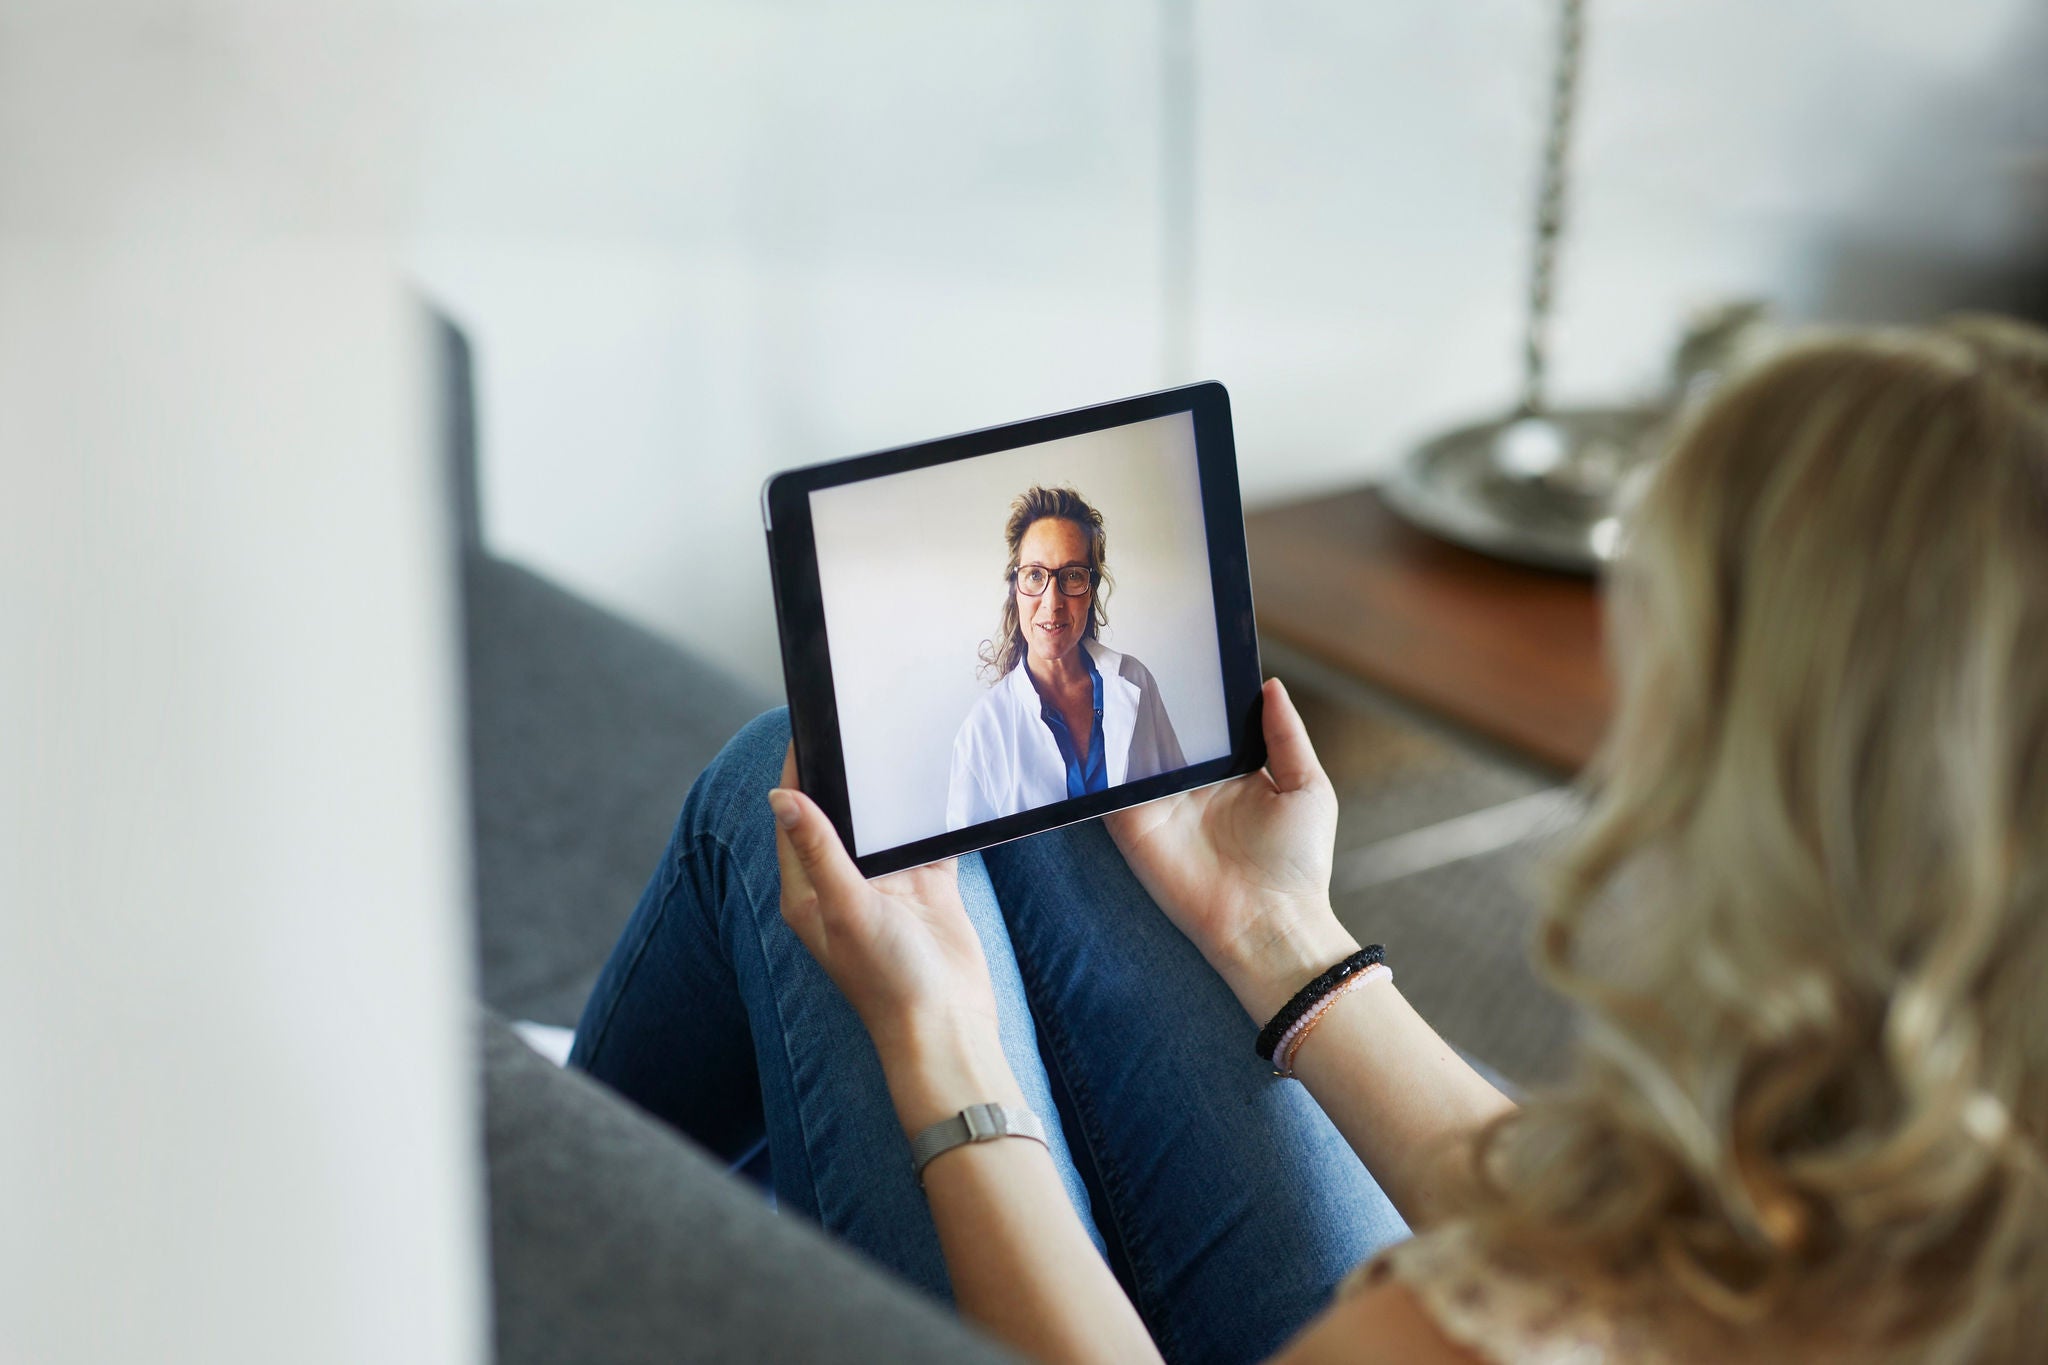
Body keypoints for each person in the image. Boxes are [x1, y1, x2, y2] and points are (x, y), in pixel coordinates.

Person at [571, 316, 2048, 1364]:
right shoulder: (1948, 1183)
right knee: (1049, 827)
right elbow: (1666, 1254)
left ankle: (525, 1229)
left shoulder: (1464, 1333)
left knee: (775, 793)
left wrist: (944, 1051)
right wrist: (1286, 939)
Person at [946, 485, 1184, 830]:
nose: (1052, 602)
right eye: (1035, 575)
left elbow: (1185, 805)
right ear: (1016, 589)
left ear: (1091, 590)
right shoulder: (982, 731)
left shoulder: (1135, 681)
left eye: (1072, 575)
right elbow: (968, 870)